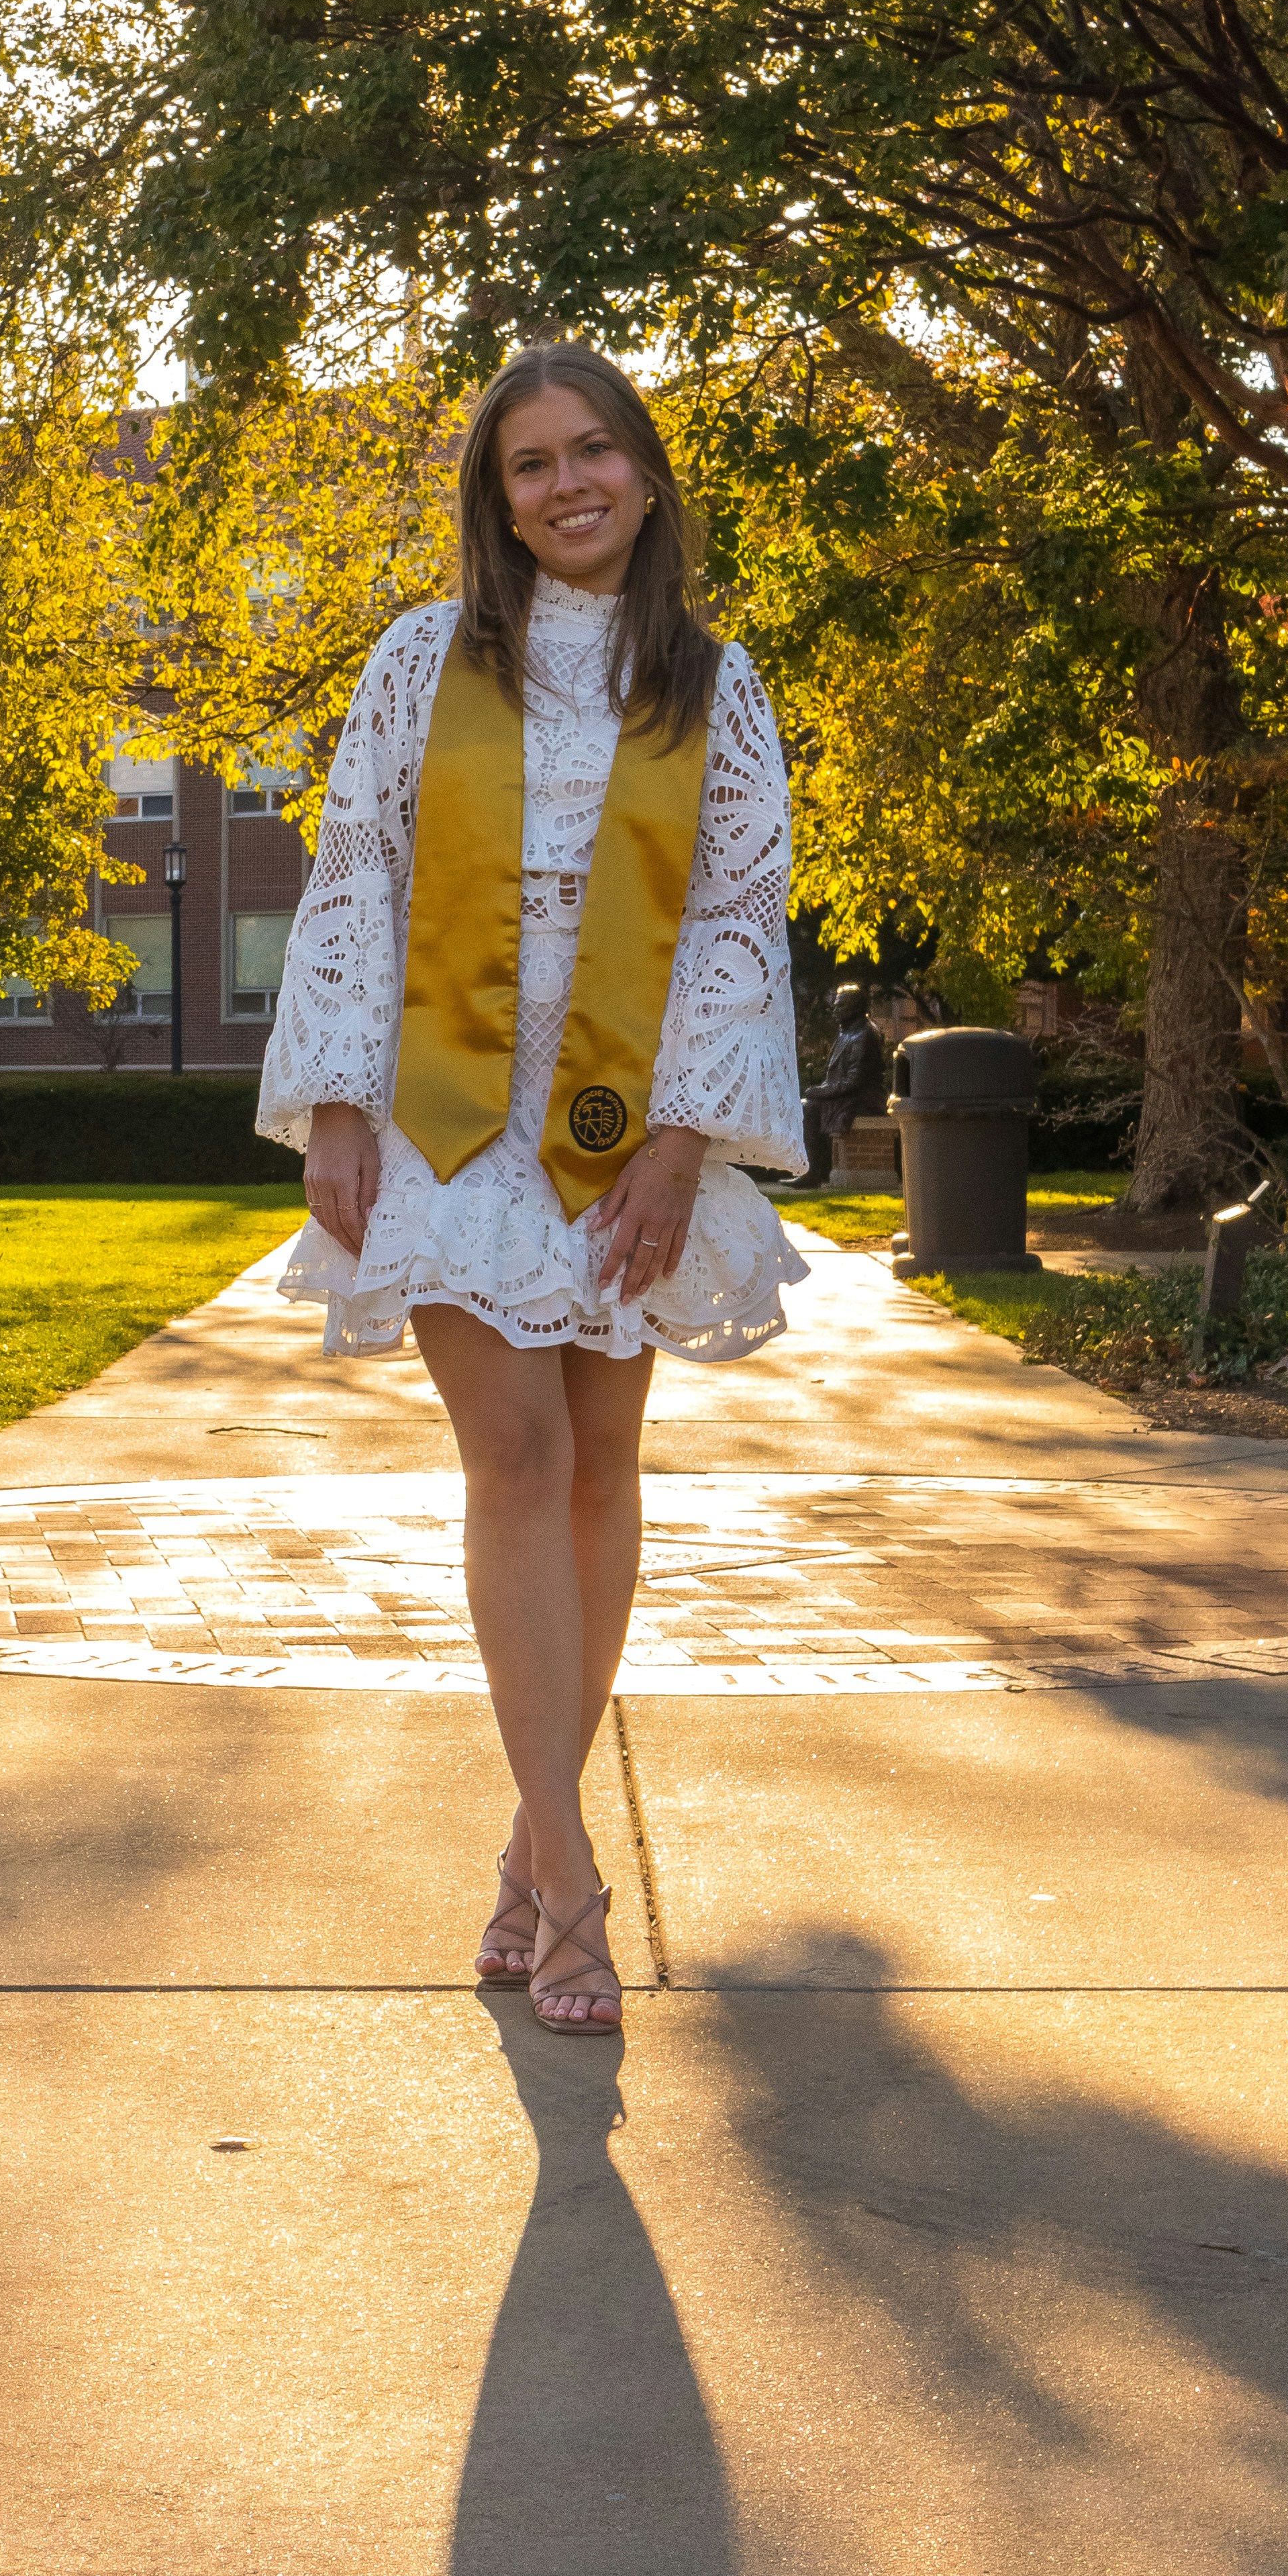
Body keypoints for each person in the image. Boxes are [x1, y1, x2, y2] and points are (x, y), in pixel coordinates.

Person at [258, 342, 806, 2038]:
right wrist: (338, 1104)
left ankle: (522, 1840)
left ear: (646, 472)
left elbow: (731, 921)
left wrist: (678, 1139)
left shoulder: (712, 686)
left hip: (626, 1119)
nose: (568, 485)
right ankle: (576, 1890)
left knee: (602, 1469)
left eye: (594, 453)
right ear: (496, 502)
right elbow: (356, 872)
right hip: (451, 1115)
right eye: (530, 466)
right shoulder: (427, 663)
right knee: (515, 1455)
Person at [792, 978, 887, 1190]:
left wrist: (821, 1092)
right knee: (807, 1104)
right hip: (849, 1096)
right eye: (835, 1005)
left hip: (864, 1099)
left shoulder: (865, 1034)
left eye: (841, 1006)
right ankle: (812, 1170)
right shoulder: (848, 1031)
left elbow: (855, 1080)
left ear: (857, 1008)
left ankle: (813, 1173)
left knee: (808, 1107)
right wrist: (822, 1090)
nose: (835, 1010)